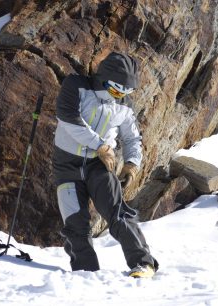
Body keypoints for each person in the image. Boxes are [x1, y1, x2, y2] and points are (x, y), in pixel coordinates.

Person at [53, 52, 158, 278]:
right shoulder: (76, 86)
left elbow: (132, 138)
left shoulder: (124, 105)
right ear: (104, 77)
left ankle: (143, 263)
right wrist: (100, 146)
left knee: (118, 212)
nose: (120, 94)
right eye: (117, 88)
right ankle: (85, 273)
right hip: (66, 167)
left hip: (99, 167)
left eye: (126, 90)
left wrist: (132, 163)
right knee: (75, 224)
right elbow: (68, 117)